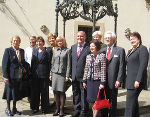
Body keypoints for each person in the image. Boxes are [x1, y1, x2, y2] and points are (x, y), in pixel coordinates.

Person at [101, 31, 126, 117]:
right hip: (103, 80)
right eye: (106, 38)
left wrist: (119, 80)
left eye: (109, 38)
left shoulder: (120, 50)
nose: (107, 39)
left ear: (114, 40)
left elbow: (122, 66)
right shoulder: (102, 50)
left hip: (113, 80)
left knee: (112, 101)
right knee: (103, 100)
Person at [124, 32, 149, 117]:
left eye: (134, 39)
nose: (132, 41)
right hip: (130, 81)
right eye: (130, 39)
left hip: (136, 81)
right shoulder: (130, 50)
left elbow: (143, 66)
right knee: (133, 105)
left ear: (138, 39)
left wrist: (138, 80)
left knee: (129, 105)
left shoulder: (142, 49)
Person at [2, 35, 26, 116]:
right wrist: (5, 76)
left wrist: (23, 68)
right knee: (9, 93)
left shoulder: (22, 51)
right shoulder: (8, 50)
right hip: (10, 76)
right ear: (12, 41)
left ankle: (14, 108)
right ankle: (8, 108)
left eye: (17, 40)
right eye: (14, 40)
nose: (16, 42)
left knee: (15, 93)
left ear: (19, 42)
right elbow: (4, 64)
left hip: (18, 76)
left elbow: (22, 62)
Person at [82, 40, 106, 117]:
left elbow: (103, 70)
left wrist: (102, 83)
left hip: (97, 82)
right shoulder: (88, 56)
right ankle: (94, 114)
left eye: (93, 46)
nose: (91, 48)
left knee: (97, 101)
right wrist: (84, 80)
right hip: (89, 81)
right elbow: (86, 69)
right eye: (90, 46)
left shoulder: (102, 56)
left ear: (97, 47)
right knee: (91, 100)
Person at [30, 36, 52, 114]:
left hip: (44, 75)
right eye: (37, 42)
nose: (38, 43)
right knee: (35, 92)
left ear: (43, 42)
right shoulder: (34, 50)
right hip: (35, 75)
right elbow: (32, 63)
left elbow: (50, 63)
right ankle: (35, 108)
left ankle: (44, 109)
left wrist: (50, 74)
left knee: (44, 92)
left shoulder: (47, 51)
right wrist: (31, 73)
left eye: (40, 41)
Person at [50, 36, 71, 117]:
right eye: (58, 41)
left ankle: (62, 109)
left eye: (61, 41)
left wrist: (67, 75)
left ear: (63, 42)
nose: (59, 42)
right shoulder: (55, 50)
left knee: (62, 92)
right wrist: (51, 74)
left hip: (62, 74)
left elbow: (69, 64)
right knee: (55, 91)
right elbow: (52, 63)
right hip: (55, 73)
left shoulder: (68, 50)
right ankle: (57, 109)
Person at [71, 31, 90, 117]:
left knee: (83, 95)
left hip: (83, 77)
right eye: (78, 36)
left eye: (81, 36)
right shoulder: (73, 47)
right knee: (75, 93)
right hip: (74, 76)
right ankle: (76, 110)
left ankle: (84, 111)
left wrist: (86, 77)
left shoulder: (88, 48)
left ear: (85, 37)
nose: (79, 38)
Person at [47, 33, 57, 107]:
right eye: (50, 39)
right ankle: (55, 100)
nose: (51, 40)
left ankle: (59, 102)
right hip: (50, 70)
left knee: (59, 87)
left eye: (52, 38)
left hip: (58, 70)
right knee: (53, 86)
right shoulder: (48, 48)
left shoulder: (58, 47)